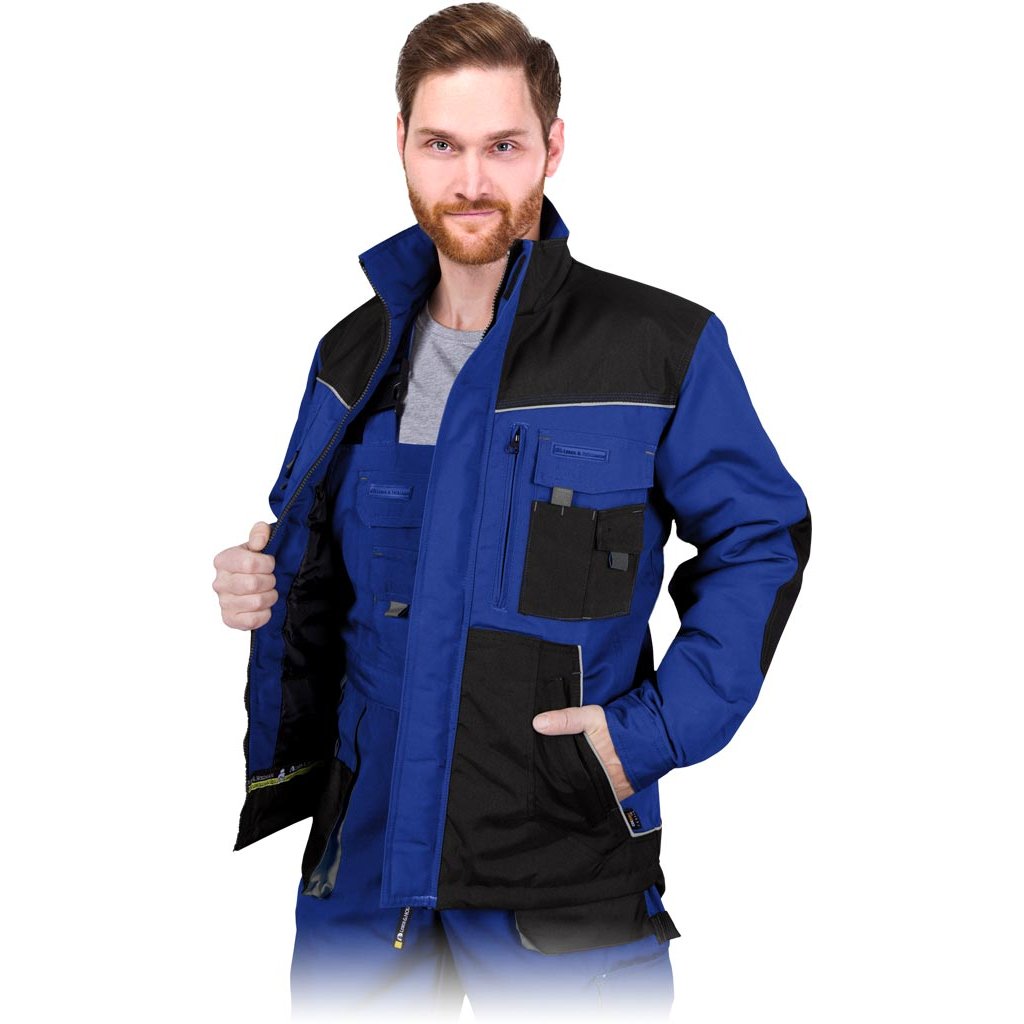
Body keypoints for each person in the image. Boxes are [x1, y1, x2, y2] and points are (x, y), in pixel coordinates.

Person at [212, 4, 811, 1021]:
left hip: (558, 875)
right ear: (401, 143)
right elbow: (329, 573)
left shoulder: (657, 347)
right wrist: (258, 583)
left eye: (503, 146)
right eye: (441, 144)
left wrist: (650, 734)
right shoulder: (352, 354)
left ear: (553, 147)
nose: (471, 181)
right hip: (364, 876)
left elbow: (762, 539)